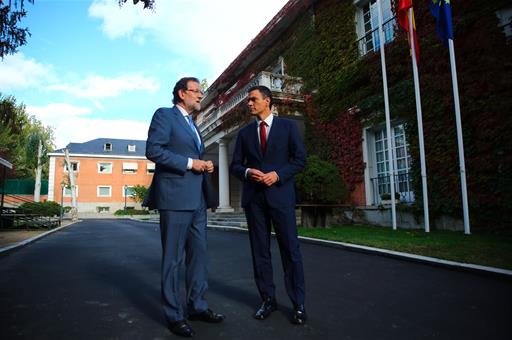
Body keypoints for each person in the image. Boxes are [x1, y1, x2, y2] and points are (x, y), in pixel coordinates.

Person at [145, 77, 225, 338]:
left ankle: (197, 306)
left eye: (201, 92)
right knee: (173, 259)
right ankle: (174, 315)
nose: (201, 96)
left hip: (198, 201)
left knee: (199, 256)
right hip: (175, 198)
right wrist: (192, 163)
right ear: (181, 93)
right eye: (196, 91)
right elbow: (154, 151)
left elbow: (195, 156)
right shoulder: (164, 116)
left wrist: (205, 164)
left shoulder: (193, 124)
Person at [230, 85, 307, 325]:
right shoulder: (244, 134)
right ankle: (268, 300)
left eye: (253, 99)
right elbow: (235, 166)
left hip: (281, 197)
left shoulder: (288, 127)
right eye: (248, 100)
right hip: (255, 201)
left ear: (267, 101)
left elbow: (300, 160)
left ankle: (299, 304)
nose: (249, 104)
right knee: (259, 252)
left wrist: (278, 175)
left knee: (290, 251)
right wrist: (247, 171)